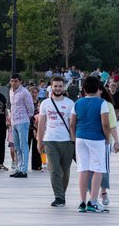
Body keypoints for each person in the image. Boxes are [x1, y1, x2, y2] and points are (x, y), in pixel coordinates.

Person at [70, 76, 111, 213]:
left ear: (84, 89)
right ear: (97, 87)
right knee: (98, 169)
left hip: (80, 137)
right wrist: (107, 138)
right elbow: (105, 124)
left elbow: (72, 123)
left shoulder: (78, 103)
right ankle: (93, 201)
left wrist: (74, 137)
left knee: (83, 169)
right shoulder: (102, 103)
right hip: (96, 138)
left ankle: (82, 202)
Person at [38, 76, 75, 207]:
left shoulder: (70, 103)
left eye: (60, 86)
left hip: (66, 141)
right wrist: (39, 141)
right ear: (51, 87)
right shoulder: (45, 103)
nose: (58, 88)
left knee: (65, 171)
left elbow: (72, 124)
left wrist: (74, 140)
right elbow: (41, 123)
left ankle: (62, 194)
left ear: (63, 87)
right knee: (54, 170)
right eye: (55, 86)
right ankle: (58, 197)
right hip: (50, 140)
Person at [8, 73, 34, 177]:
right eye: (12, 81)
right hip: (14, 122)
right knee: (17, 147)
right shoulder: (11, 91)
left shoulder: (24, 92)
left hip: (22, 121)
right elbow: (12, 106)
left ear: (20, 82)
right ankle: (18, 168)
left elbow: (30, 108)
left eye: (16, 81)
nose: (13, 83)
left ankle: (24, 170)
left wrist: (27, 118)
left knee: (24, 146)